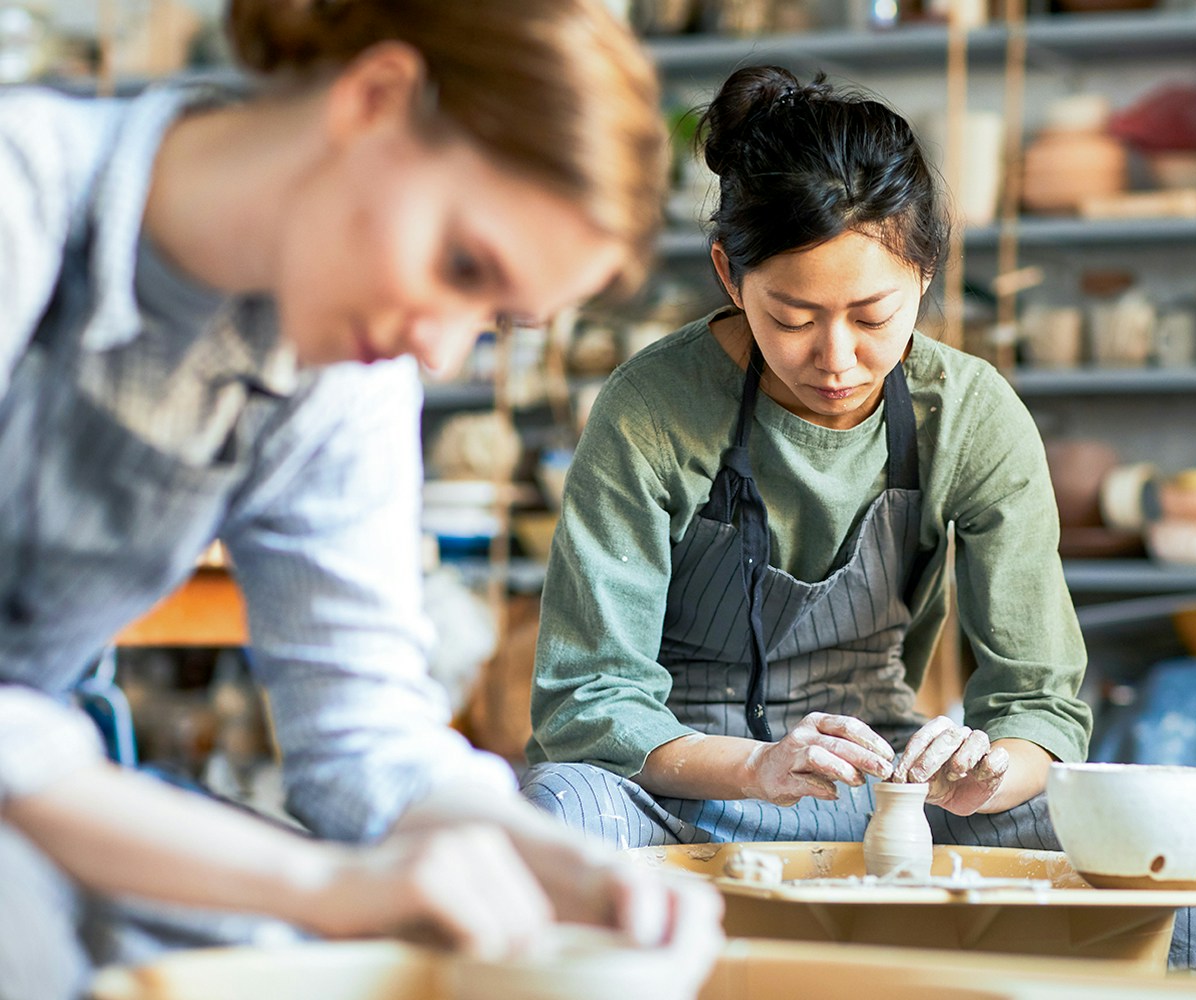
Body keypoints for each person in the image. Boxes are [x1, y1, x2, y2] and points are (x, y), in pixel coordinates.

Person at [0, 1, 721, 997]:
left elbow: (366, 734)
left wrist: (559, 862)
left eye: (493, 317)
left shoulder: (347, 376)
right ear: (374, 101)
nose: (440, 348)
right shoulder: (20, 193)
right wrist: (326, 884)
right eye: (462, 266)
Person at [521, 65, 1196, 977]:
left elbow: (1039, 702)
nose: (836, 358)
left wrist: (995, 767)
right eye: (791, 317)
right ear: (729, 273)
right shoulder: (651, 410)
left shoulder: (969, 414)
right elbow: (586, 701)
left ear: (927, 272)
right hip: (675, 781)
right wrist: (753, 768)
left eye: (873, 316)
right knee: (557, 808)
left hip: (883, 779)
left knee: (1127, 869)